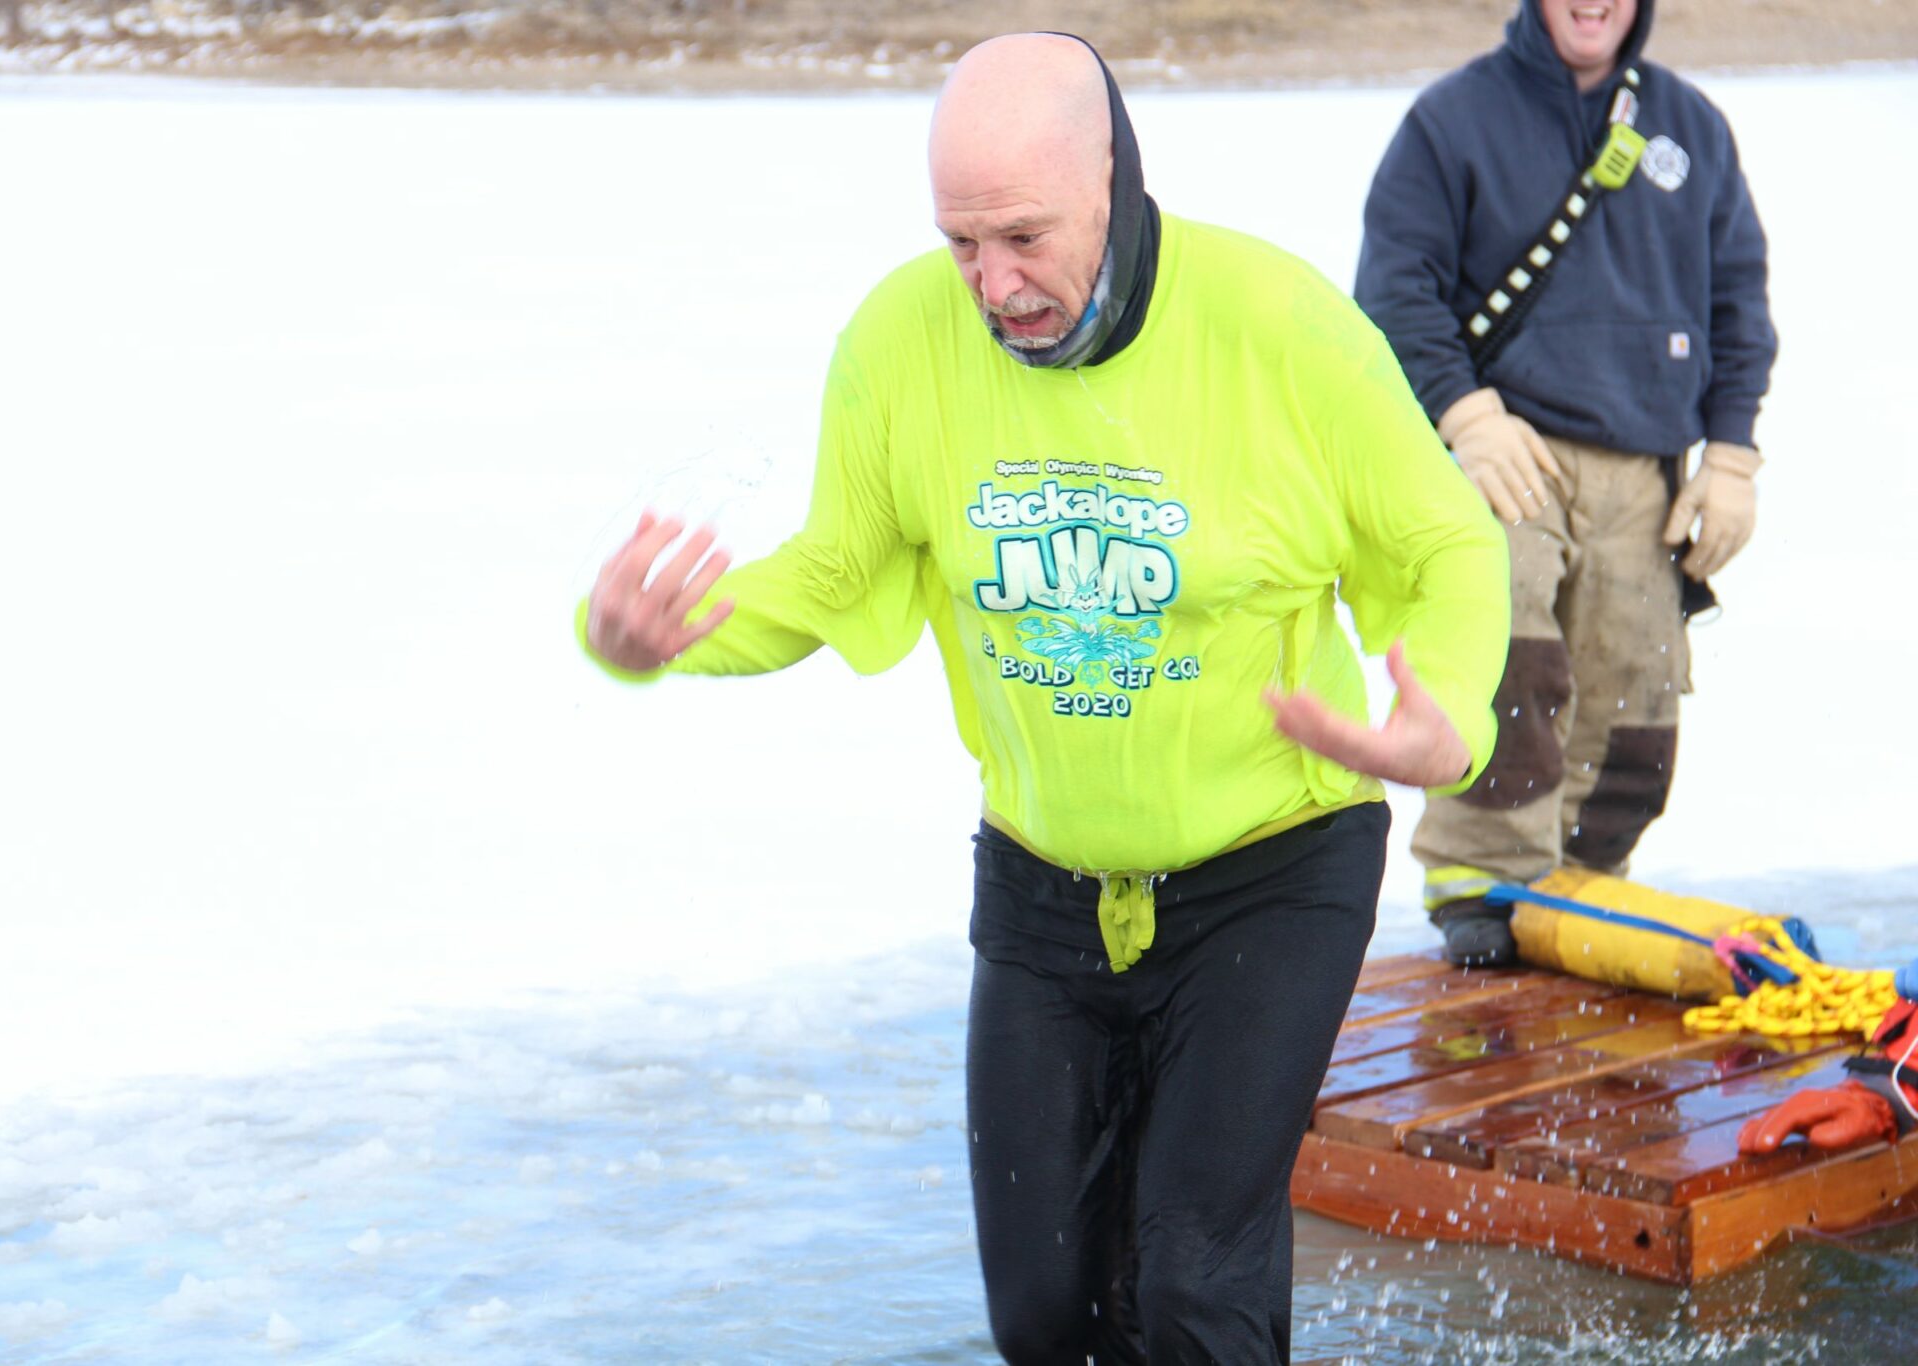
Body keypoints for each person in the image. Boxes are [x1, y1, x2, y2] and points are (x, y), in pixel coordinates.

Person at [580, 33, 1509, 1364]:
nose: (991, 285)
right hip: (1041, 884)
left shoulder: (1279, 327)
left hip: (1272, 868)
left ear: (1113, 178)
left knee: (1195, 1276)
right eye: (961, 243)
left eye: (1021, 236)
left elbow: (1445, 549)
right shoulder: (905, 341)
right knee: (1043, 1317)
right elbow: (839, 566)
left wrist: (1450, 714)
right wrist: (664, 638)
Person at [1354, 0, 1778, 967]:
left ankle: (1584, 886)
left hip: (1649, 462)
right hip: (1510, 448)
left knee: (1638, 681)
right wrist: (1464, 416)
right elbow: (1393, 287)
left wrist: (1734, 455)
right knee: (1512, 655)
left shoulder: (1691, 124)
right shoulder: (1451, 120)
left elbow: (1737, 297)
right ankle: (1486, 887)